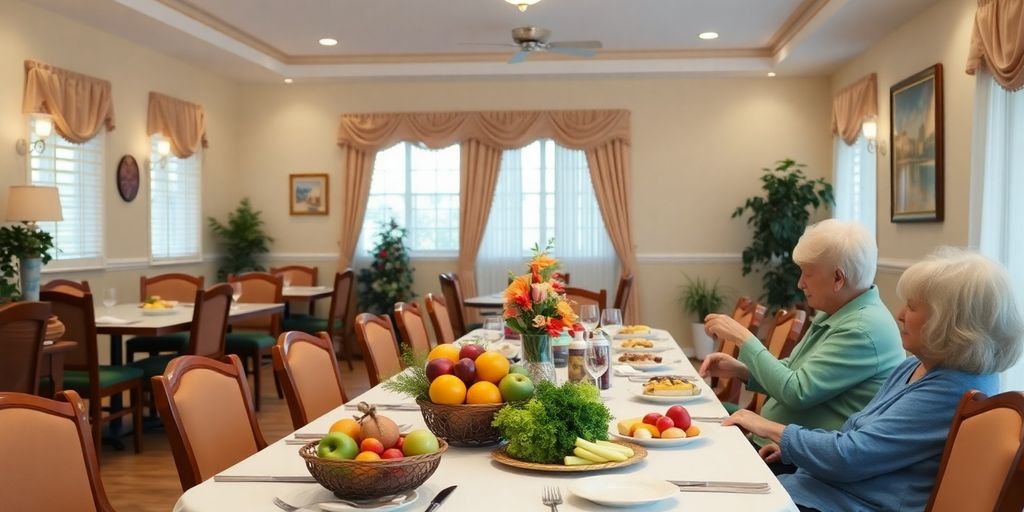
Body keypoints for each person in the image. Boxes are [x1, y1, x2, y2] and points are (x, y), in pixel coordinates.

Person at [723, 249, 1023, 511]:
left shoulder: (953, 388)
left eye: (913, 307)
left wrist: (771, 428)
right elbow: (860, 434)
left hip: (843, 502)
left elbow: (851, 456)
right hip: (825, 490)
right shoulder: (916, 366)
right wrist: (794, 447)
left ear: (950, 324)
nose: (899, 314)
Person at [700, 219, 905, 470]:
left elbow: (796, 392)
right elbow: (794, 369)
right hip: (777, 445)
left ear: (838, 278)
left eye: (807, 273)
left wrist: (743, 338)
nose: (800, 283)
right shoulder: (837, 311)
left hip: (805, 462)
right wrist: (742, 370)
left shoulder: (862, 329)